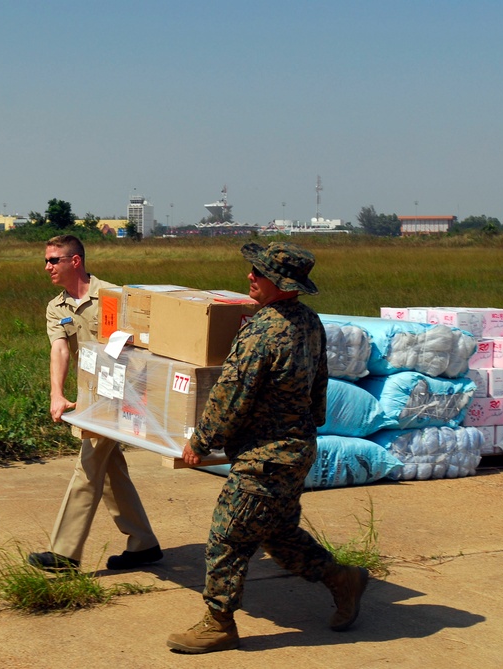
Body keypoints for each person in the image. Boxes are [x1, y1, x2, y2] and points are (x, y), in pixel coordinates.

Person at [166, 241, 368, 654]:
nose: (250, 276)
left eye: (258, 273)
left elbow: (231, 394)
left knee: (227, 537)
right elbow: (319, 383)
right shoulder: (309, 322)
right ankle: (342, 579)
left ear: (280, 283)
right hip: (295, 450)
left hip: (266, 458)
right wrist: (306, 424)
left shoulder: (263, 331)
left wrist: (201, 441)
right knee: (277, 533)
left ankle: (218, 623)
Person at [27, 234, 163, 572]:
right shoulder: (57, 307)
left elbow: (143, 344)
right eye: (46, 261)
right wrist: (56, 393)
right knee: (110, 469)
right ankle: (143, 543)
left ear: (75, 261)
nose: (47, 267)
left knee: (88, 467)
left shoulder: (113, 297)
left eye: (53, 260)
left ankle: (64, 553)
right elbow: (60, 349)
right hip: (92, 396)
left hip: (122, 394)